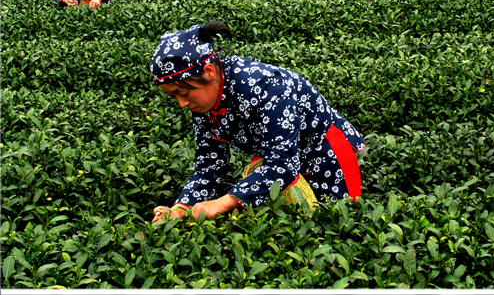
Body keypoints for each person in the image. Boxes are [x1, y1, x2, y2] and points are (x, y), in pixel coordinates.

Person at [149, 22, 366, 222]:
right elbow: (210, 164)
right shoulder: (203, 103)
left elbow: (282, 164)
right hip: (278, 157)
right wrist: (182, 206)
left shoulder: (267, 85)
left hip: (325, 151)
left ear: (208, 72)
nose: (181, 103)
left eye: (183, 92)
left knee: (332, 220)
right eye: (173, 96)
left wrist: (224, 201)